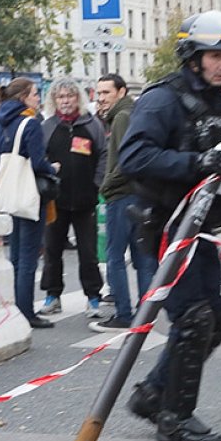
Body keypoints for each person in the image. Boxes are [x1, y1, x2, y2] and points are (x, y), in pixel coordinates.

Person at [118, 10, 221, 441]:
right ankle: (174, 418)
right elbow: (134, 157)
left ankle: (153, 394)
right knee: (195, 318)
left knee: (215, 316)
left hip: (201, 229)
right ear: (193, 57)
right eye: (214, 55)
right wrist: (194, 164)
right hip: (166, 227)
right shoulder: (163, 99)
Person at [0, 78, 58, 329]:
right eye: (36, 94)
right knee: (28, 256)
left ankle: (13, 306)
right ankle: (26, 311)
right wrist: (53, 168)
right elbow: (38, 163)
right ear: (24, 97)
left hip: (8, 194)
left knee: (14, 255)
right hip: (28, 195)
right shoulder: (31, 123)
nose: (38, 98)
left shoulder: (0, 122)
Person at [37, 79, 107, 320]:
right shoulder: (47, 126)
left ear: (78, 98)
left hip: (86, 199)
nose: (65, 101)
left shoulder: (92, 124)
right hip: (55, 200)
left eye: (69, 96)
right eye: (60, 97)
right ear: (54, 100)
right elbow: (39, 158)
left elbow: (104, 155)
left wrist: (97, 183)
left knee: (88, 252)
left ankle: (93, 297)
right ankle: (52, 295)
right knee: (53, 250)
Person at [93, 73, 158, 331]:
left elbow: (125, 160)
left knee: (115, 256)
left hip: (121, 194)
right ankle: (145, 314)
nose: (101, 98)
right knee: (141, 257)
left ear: (120, 92)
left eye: (106, 93)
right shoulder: (134, 112)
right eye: (98, 94)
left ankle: (123, 313)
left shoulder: (121, 117)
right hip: (140, 194)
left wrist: (107, 185)